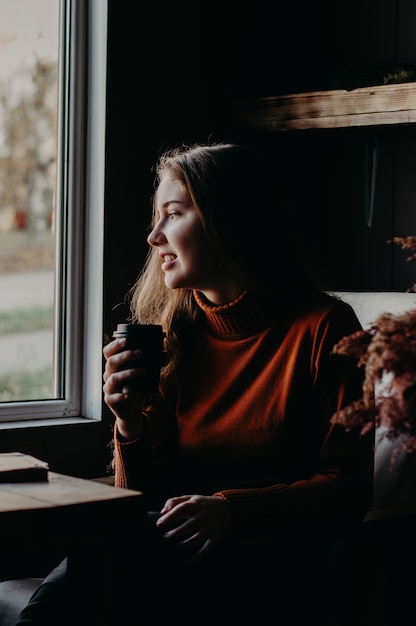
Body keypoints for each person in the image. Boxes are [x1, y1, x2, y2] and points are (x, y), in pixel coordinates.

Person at [16, 142, 374, 625]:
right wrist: (128, 426)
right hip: (167, 545)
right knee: (90, 572)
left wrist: (231, 511)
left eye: (173, 214)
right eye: (156, 216)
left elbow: (348, 489)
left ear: (230, 221)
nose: (152, 236)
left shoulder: (325, 328)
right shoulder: (174, 333)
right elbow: (139, 501)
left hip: (272, 557)